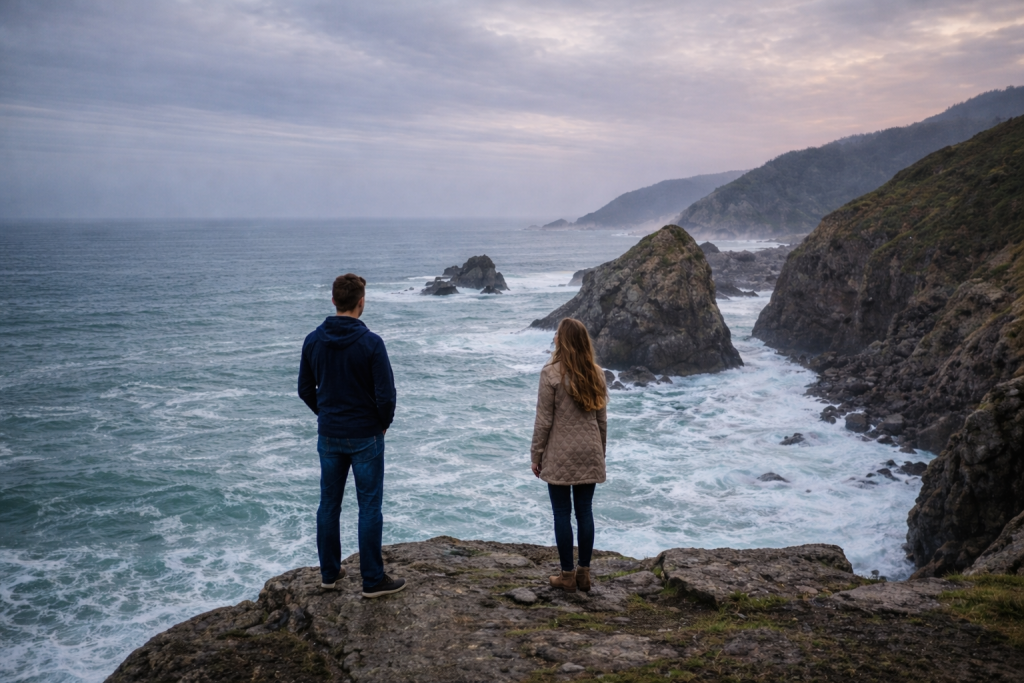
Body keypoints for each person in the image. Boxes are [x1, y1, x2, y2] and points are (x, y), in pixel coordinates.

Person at [298, 273, 406, 598]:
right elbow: (386, 395)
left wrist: (326, 413)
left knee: (329, 505)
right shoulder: (372, 343)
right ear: (361, 302)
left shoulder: (313, 340)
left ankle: (329, 574)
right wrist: (382, 422)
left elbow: (305, 390)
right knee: (369, 506)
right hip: (366, 435)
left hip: (330, 434)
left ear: (333, 300)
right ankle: (372, 580)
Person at [530, 317, 608, 593]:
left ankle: (566, 576)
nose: (553, 337)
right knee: (585, 511)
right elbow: (601, 421)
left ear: (563, 340)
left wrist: (536, 455)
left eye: (556, 334)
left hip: (561, 453)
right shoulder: (596, 373)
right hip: (590, 450)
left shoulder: (551, 373)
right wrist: (601, 453)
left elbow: (543, 422)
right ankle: (584, 574)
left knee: (562, 513)